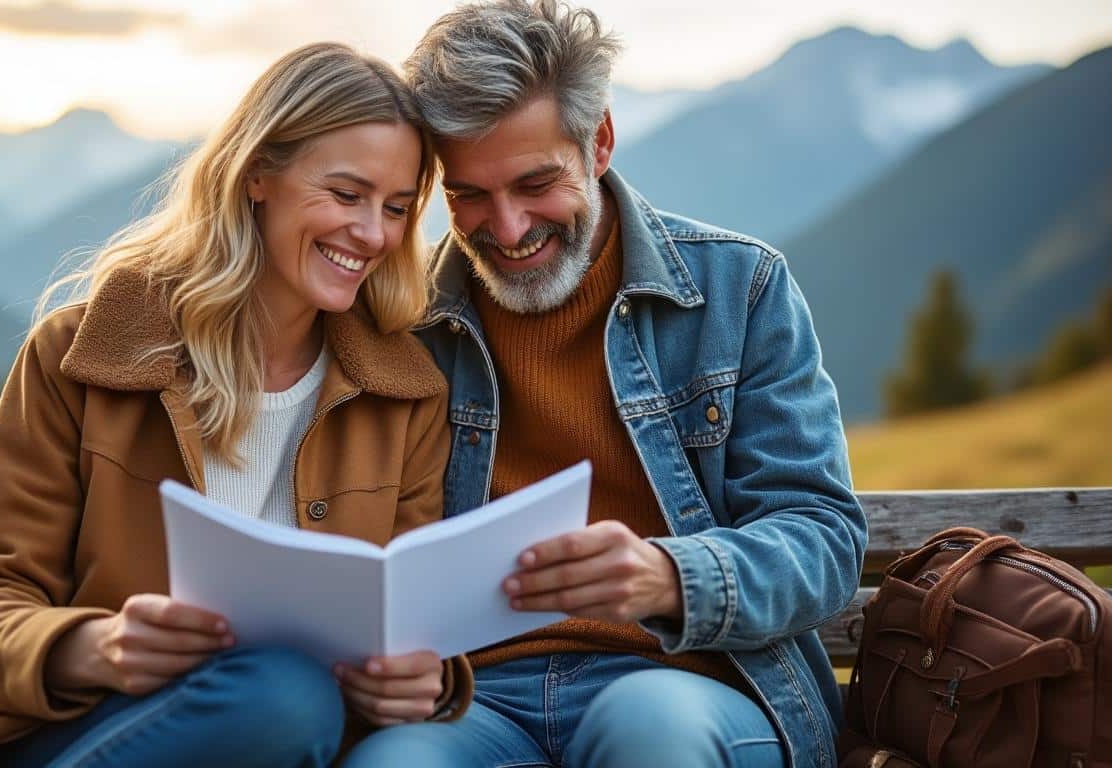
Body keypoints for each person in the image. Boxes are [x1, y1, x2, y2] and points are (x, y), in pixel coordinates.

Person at [0, 43, 473, 768]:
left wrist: (418, 682)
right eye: (346, 195)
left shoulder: (405, 396)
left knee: (290, 698)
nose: (374, 234)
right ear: (258, 174)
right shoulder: (82, 355)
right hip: (66, 736)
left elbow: (406, 619)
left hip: (279, 736)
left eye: (396, 208)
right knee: (286, 695)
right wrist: (95, 648)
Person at [342, 2, 867, 767]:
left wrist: (669, 576)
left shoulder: (739, 288)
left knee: (647, 730)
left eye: (535, 183)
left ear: (601, 144)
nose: (509, 227)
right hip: (474, 700)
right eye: (469, 196)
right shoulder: (404, 320)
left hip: (683, 679)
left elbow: (822, 536)